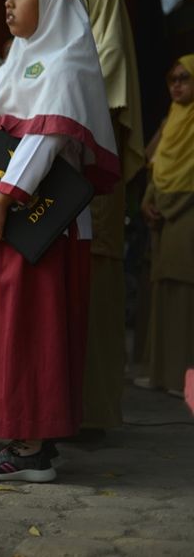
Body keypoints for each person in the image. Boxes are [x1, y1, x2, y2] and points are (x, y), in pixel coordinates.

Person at [0, 0, 119, 482]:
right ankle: (16, 439)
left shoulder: (67, 61)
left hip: (43, 227)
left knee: (30, 334)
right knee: (1, 335)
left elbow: (47, 136)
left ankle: (32, 446)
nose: (8, 2)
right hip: (3, 220)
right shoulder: (13, 64)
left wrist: (2, 198)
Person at [78, 0, 145, 431]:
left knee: (97, 301)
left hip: (95, 193)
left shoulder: (108, 50)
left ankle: (95, 411)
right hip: (76, 192)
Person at [139, 54, 194, 395]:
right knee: (162, 292)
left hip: (187, 214)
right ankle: (162, 373)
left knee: (184, 294)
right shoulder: (171, 119)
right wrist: (148, 200)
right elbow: (154, 163)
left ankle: (182, 377)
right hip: (161, 213)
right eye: (172, 79)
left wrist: (171, 203)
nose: (176, 85)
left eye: (184, 78)